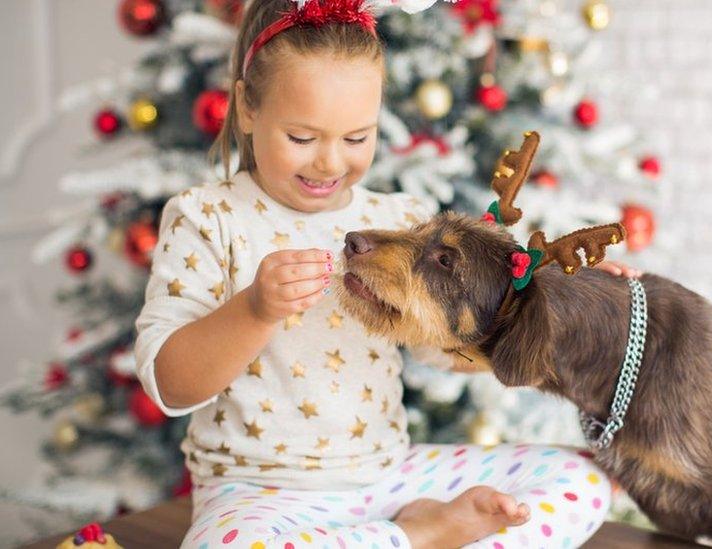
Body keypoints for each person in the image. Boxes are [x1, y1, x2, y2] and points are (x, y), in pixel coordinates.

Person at [136, 1, 638, 546]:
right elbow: (170, 385)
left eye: (357, 138)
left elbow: (454, 349)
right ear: (248, 108)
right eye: (302, 138)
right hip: (259, 495)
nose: (330, 162)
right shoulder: (208, 218)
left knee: (582, 478)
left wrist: (573, 309)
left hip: (390, 476)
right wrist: (253, 310)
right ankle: (416, 539)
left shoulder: (395, 221)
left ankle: (395, 533)